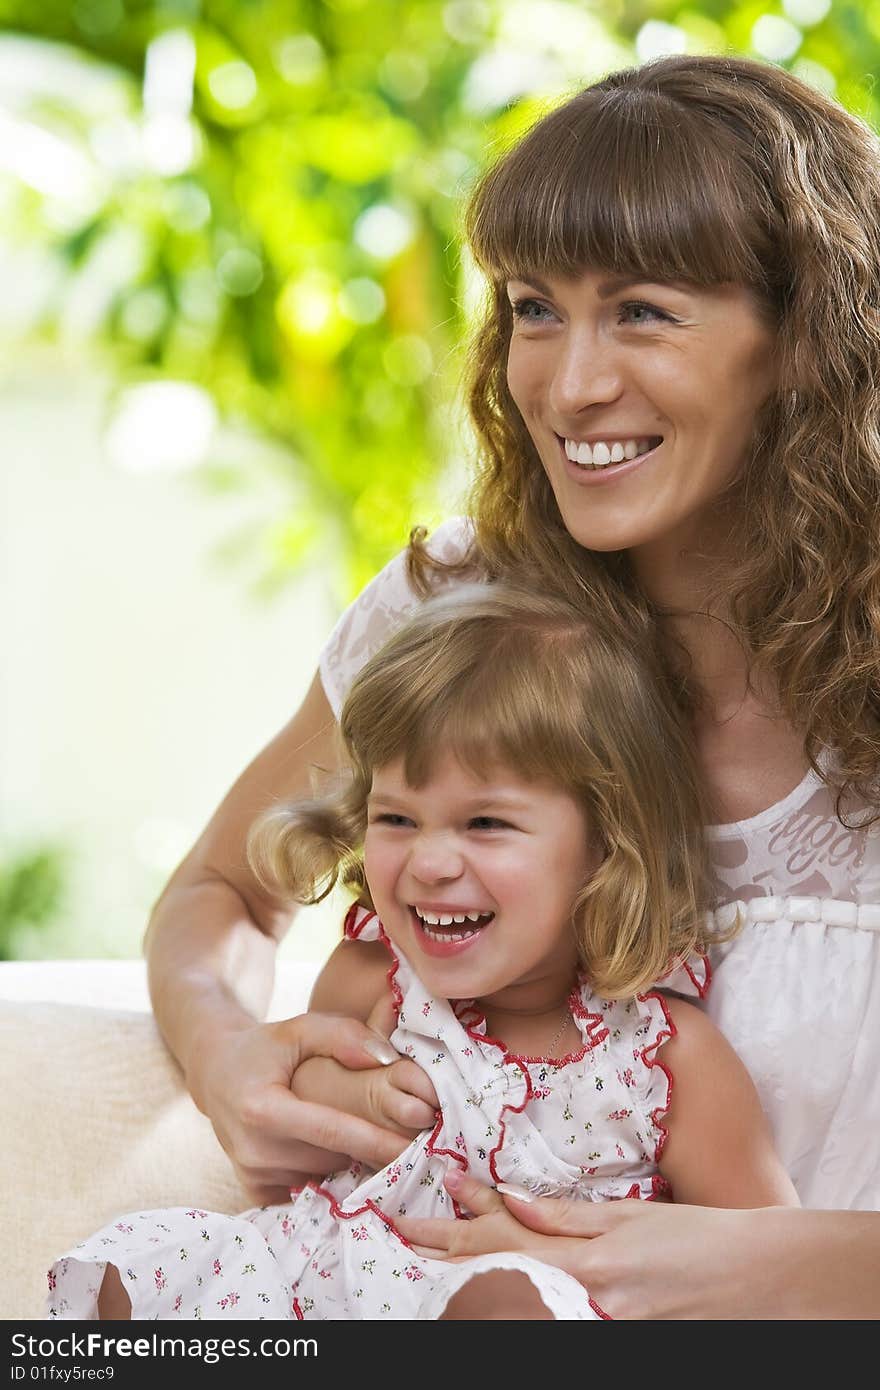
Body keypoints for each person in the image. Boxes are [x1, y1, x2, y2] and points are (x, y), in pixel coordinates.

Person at [140, 52, 880, 1318]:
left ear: (804, 335)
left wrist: (765, 1267)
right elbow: (221, 894)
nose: (569, 382)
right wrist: (225, 1060)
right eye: (536, 308)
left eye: (641, 310)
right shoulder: (456, 616)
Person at [47, 586, 796, 1320]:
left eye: (486, 823)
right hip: (328, 1285)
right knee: (134, 1275)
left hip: (513, 1303)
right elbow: (289, 1141)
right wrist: (344, 1097)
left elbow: (768, 1275)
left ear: (610, 844)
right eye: (397, 817)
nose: (430, 863)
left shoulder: (666, 1062)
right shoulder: (373, 981)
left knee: (507, 1301)